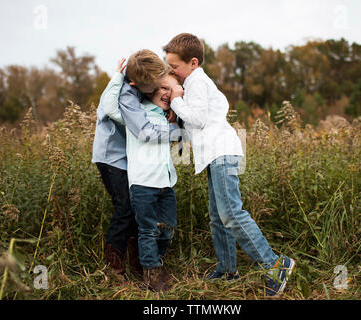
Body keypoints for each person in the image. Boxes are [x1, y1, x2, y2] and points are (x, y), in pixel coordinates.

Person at [163, 33, 296, 296]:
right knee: (217, 217)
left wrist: (176, 97)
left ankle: (275, 265)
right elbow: (194, 128)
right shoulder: (193, 85)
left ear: (192, 63)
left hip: (222, 153)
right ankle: (227, 270)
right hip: (215, 155)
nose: (172, 71)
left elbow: (198, 119)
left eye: (175, 66)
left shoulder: (197, 81)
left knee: (231, 214)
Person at [92, 49, 176, 281]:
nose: (158, 89)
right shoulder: (128, 92)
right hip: (112, 155)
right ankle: (114, 268)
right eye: (155, 87)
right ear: (135, 83)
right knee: (126, 208)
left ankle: (138, 263)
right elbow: (115, 112)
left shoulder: (143, 81)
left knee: (135, 208)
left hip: (128, 155)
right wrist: (175, 131)